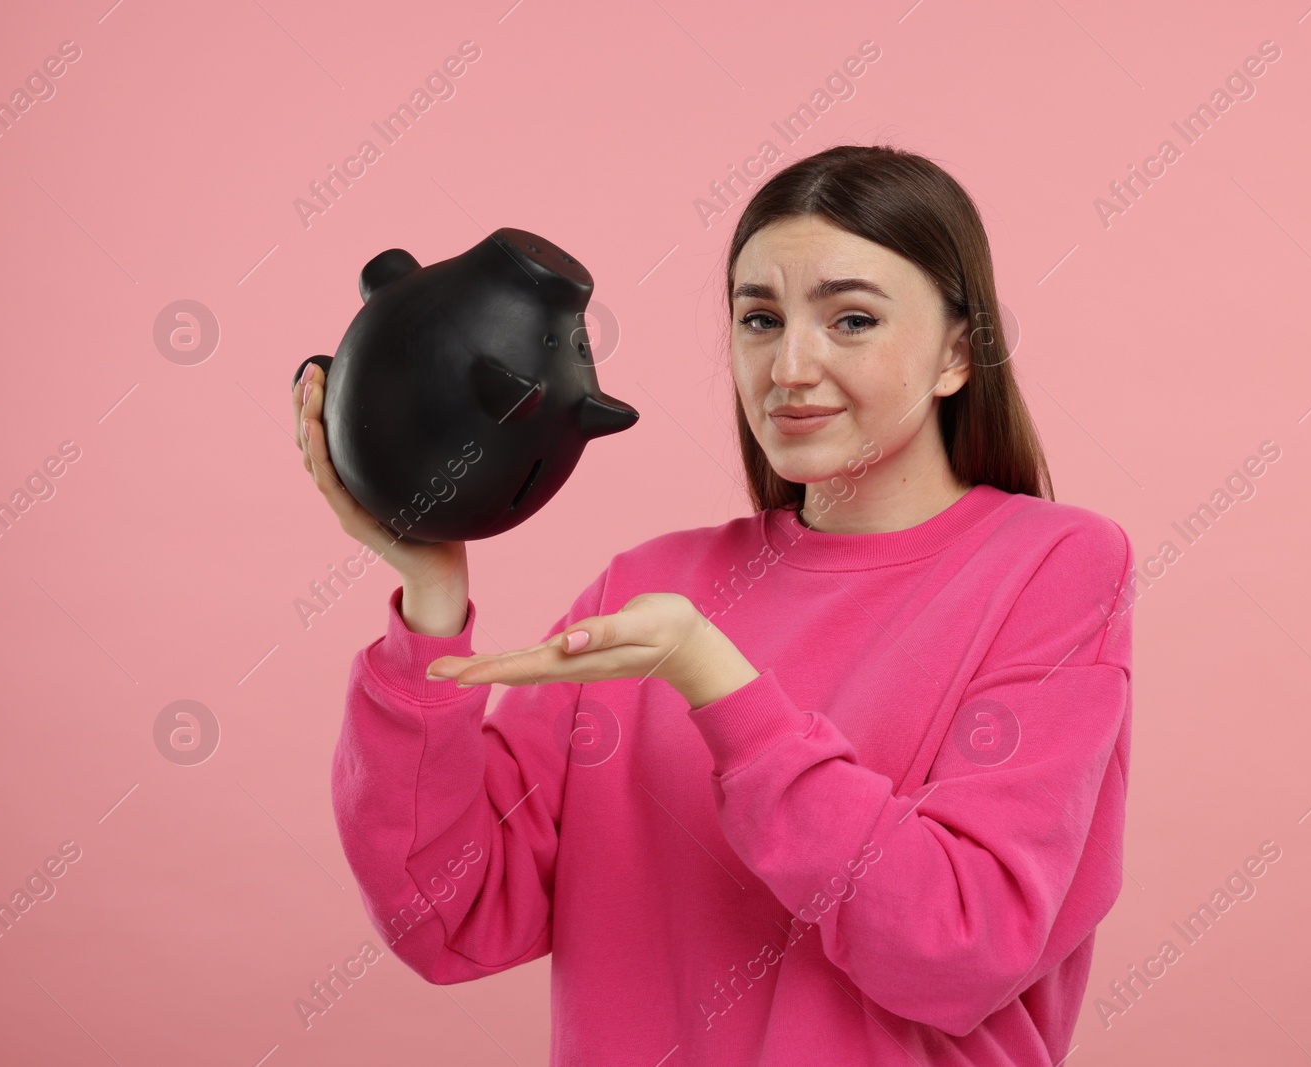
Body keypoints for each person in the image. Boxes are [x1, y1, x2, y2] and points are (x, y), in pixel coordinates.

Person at [293, 143, 1135, 1065]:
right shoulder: (649, 587)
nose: (791, 366)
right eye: (760, 319)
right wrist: (430, 596)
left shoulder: (1055, 565)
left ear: (957, 353)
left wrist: (717, 684)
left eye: (851, 319)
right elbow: (447, 914)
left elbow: (960, 949)